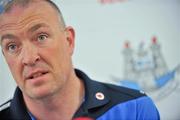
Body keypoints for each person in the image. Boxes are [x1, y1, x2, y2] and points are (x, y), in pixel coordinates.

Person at [0, 0, 160, 119]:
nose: (28, 58)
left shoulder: (134, 108)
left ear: (68, 41)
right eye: (12, 46)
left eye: (41, 37)